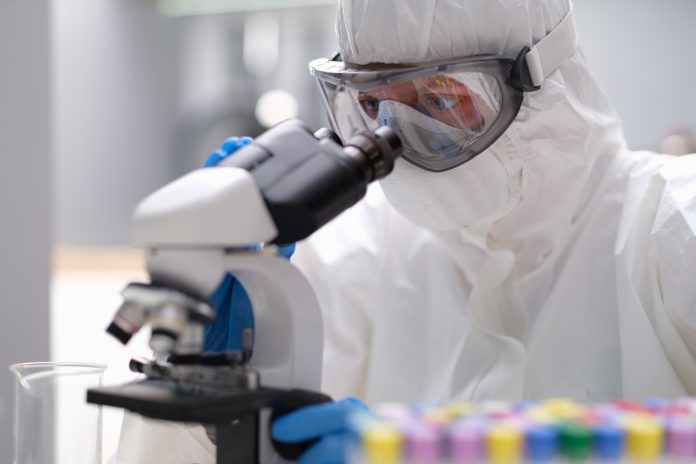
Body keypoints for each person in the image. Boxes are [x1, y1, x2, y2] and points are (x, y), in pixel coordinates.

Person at [121, 0, 696, 462]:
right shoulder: (354, 253)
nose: (396, 137)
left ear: (542, 79)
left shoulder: (671, 226)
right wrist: (215, 390)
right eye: (371, 102)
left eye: (441, 98)